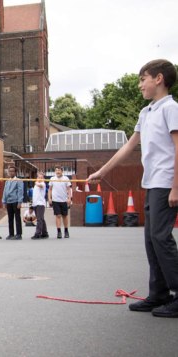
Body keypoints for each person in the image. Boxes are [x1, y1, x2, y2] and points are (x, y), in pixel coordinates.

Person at [88, 59, 178, 318]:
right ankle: (158, 294)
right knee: (152, 240)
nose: (140, 85)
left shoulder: (171, 108)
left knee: (161, 238)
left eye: (143, 79)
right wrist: (101, 171)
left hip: (166, 182)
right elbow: (128, 147)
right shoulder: (146, 112)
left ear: (158, 79)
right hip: (151, 182)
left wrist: (176, 187)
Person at [48, 166, 72, 239]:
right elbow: (50, 189)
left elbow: (69, 189)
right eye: (56, 170)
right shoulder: (52, 178)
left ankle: (66, 231)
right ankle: (59, 232)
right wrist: (49, 198)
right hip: (55, 200)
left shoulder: (66, 179)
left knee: (65, 216)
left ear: (62, 171)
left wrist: (69, 198)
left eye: (59, 170)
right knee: (58, 215)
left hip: (64, 200)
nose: (57, 172)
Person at [2, 166, 24, 240]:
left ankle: (19, 234)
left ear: (15, 172)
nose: (11, 172)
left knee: (17, 218)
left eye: (12, 171)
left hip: (15, 201)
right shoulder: (7, 181)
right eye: (10, 171)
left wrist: (20, 202)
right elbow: (5, 191)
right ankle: (11, 234)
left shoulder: (19, 180)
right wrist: (4, 201)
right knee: (10, 218)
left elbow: (20, 191)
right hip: (8, 201)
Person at [31, 172, 49, 239]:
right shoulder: (36, 185)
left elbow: (40, 186)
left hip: (40, 204)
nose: (40, 179)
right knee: (41, 218)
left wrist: (36, 182)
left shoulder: (42, 184)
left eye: (41, 178)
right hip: (35, 203)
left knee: (39, 219)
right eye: (39, 177)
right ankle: (45, 233)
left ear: (43, 179)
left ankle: (37, 233)